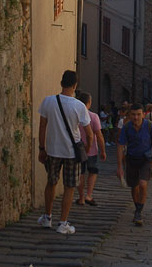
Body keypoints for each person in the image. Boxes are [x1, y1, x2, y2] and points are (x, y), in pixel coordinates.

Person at [37, 70, 93, 234]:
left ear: (61, 83)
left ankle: (47, 217)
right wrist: (87, 150)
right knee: (69, 187)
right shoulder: (79, 106)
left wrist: (42, 148)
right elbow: (89, 134)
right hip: (72, 153)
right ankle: (63, 223)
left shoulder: (48, 101)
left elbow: (42, 127)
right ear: (75, 85)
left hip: (53, 150)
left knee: (51, 183)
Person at [117, 103, 152, 226]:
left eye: (138, 114)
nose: (136, 117)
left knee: (143, 183)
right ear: (130, 115)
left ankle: (139, 211)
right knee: (134, 186)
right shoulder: (127, 127)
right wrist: (120, 166)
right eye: (133, 114)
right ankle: (137, 208)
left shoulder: (149, 126)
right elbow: (120, 146)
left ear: (143, 114)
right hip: (131, 159)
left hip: (145, 159)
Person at [76, 92, 106, 206]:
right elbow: (99, 135)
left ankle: (81, 198)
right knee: (93, 171)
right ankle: (89, 195)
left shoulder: (75, 116)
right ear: (89, 102)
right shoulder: (93, 116)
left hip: (78, 150)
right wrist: (103, 150)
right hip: (92, 150)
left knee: (81, 173)